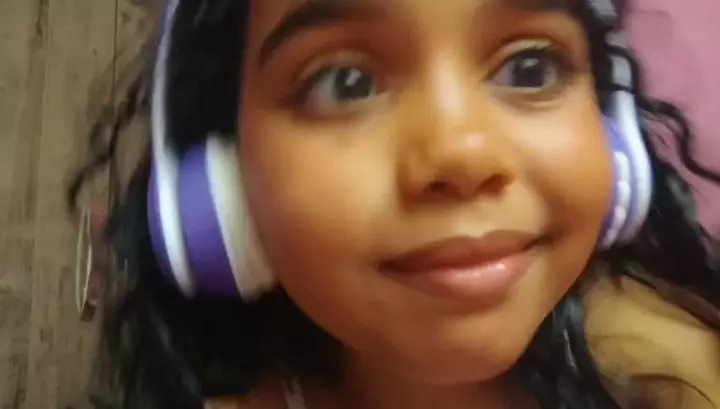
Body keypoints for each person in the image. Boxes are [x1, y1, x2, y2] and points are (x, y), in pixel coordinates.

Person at [69, 0, 720, 408]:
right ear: (225, 179)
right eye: (345, 82)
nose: (463, 154)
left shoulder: (684, 374)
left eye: (530, 68)